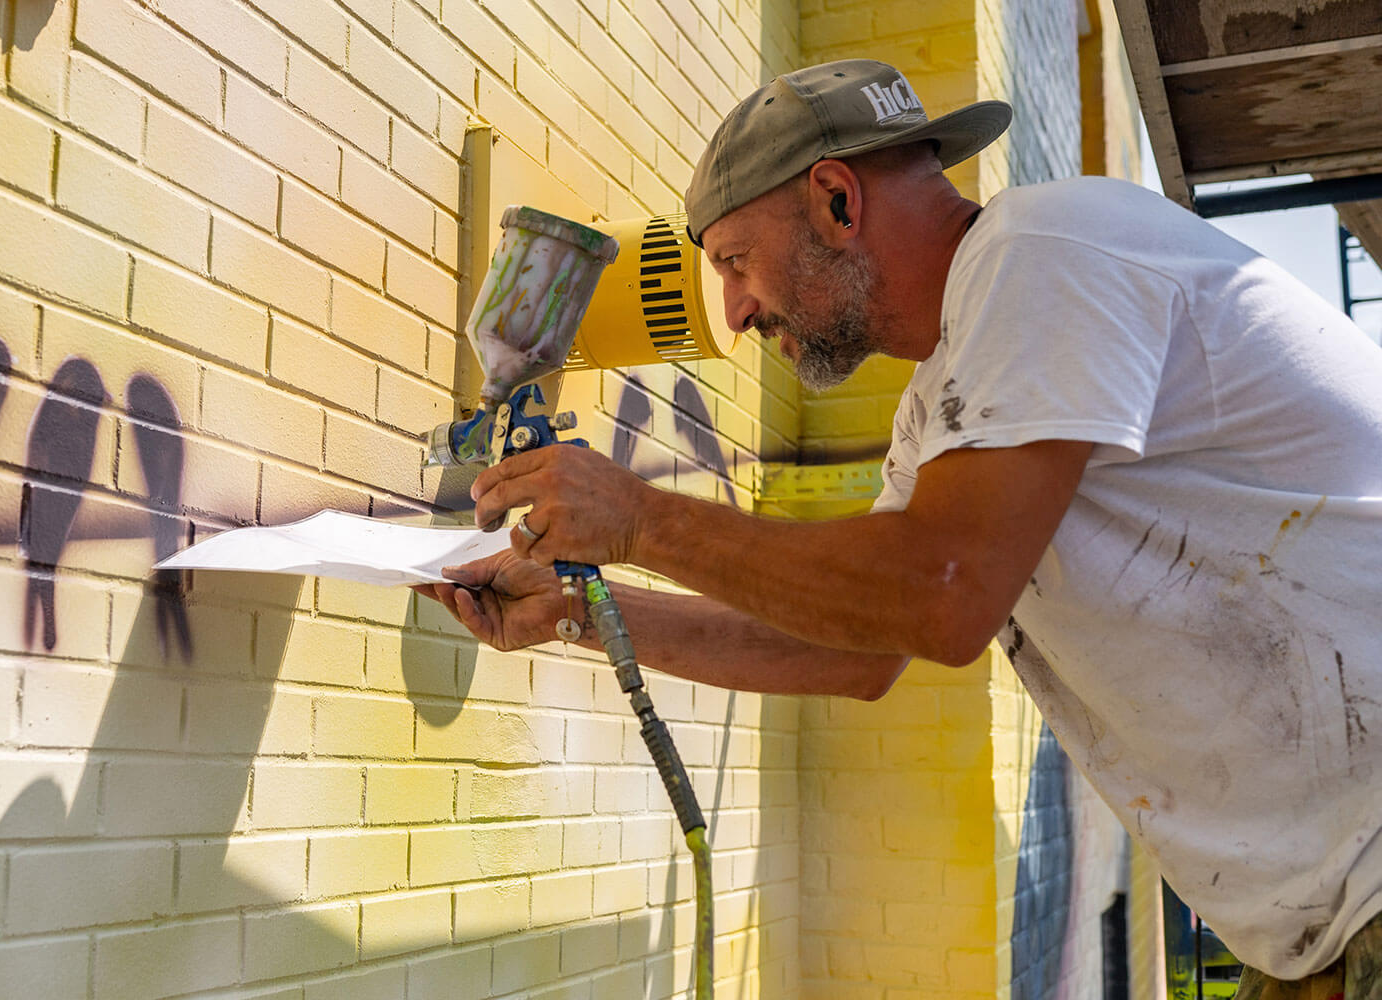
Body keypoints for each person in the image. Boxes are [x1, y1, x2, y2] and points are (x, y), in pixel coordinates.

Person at [414, 58, 1382, 997]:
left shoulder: (1047, 248)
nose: (737, 310)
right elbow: (859, 649)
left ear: (837, 199)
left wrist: (637, 517)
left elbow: (940, 593)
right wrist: (579, 608)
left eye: (735, 262)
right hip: (1325, 922)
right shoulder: (947, 403)